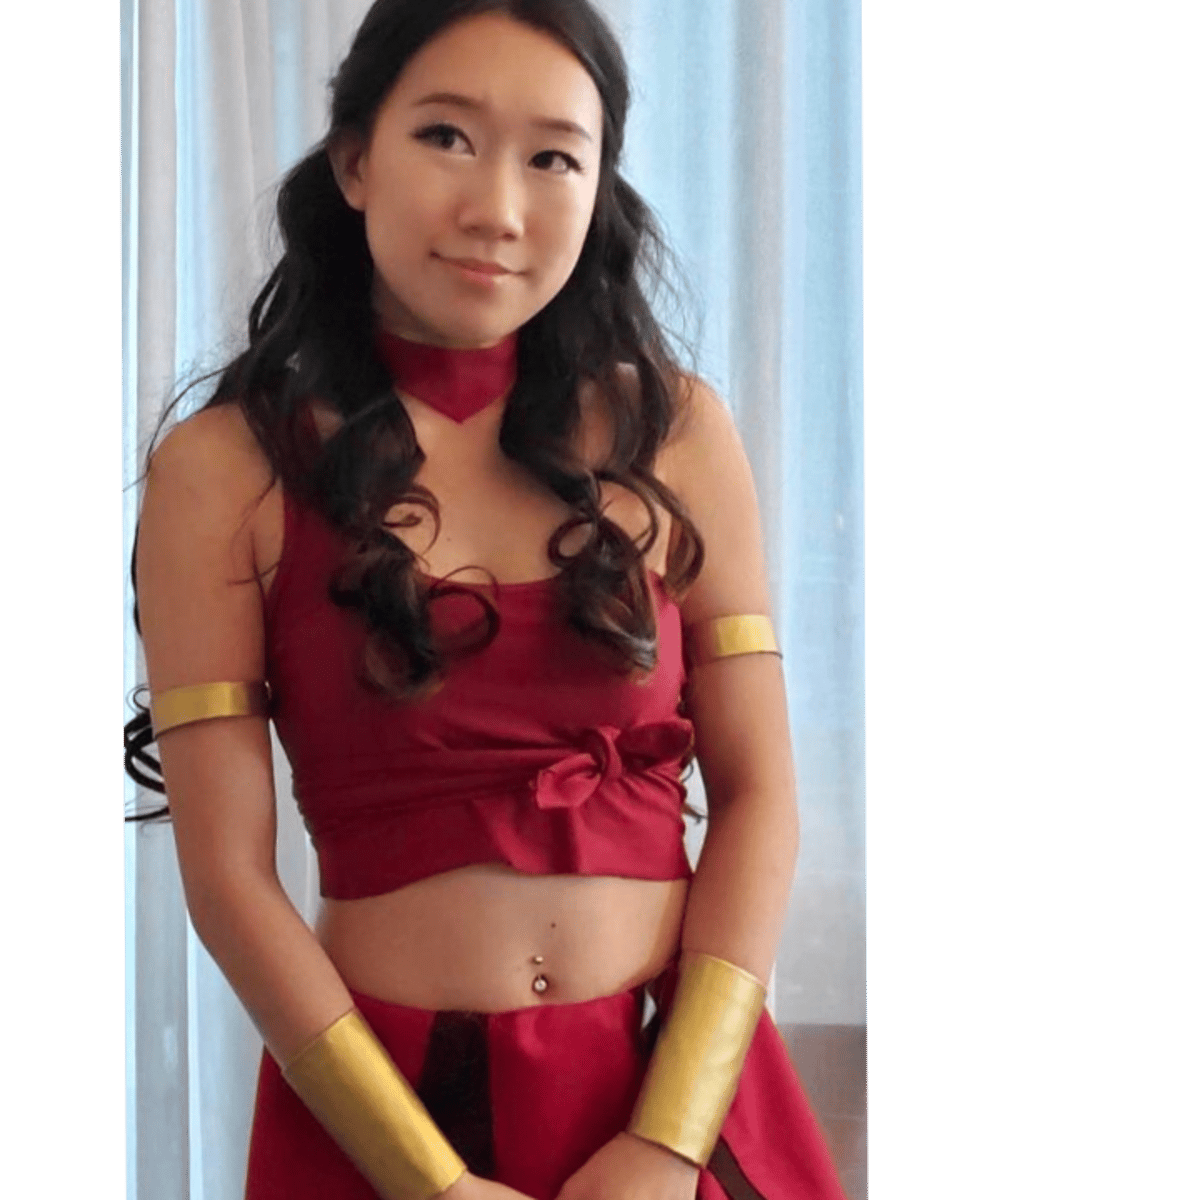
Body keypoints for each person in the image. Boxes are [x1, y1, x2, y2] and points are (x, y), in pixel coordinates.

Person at [124, 2, 848, 1198]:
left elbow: (762, 796)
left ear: (600, 186)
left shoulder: (677, 431)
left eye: (554, 156)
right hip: (384, 1125)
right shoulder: (223, 470)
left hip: (676, 1110)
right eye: (447, 137)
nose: (498, 210)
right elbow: (228, 880)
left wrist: (669, 1141)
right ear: (355, 161)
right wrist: (435, 1183)